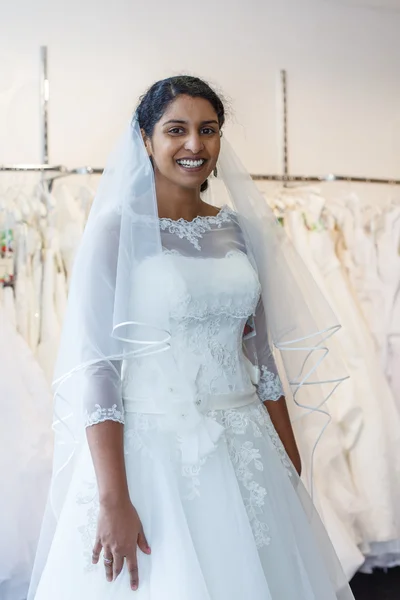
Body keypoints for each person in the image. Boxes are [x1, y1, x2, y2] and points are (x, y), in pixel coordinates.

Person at [29, 76, 354, 599]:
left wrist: (290, 469)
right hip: (152, 456)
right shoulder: (114, 233)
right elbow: (99, 372)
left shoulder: (243, 231)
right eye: (176, 130)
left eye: (208, 130)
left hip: (248, 446)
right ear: (145, 139)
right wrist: (114, 498)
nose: (194, 145)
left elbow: (263, 361)